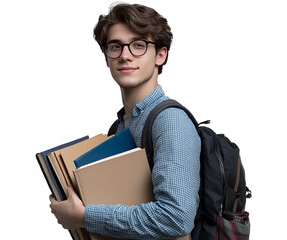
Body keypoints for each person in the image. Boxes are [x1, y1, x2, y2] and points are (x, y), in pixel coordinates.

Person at [49, 3, 201, 239]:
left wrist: (83, 216)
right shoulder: (119, 126)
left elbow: (176, 218)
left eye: (139, 45)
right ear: (106, 58)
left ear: (160, 55)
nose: (125, 55)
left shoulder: (170, 121)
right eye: (115, 46)